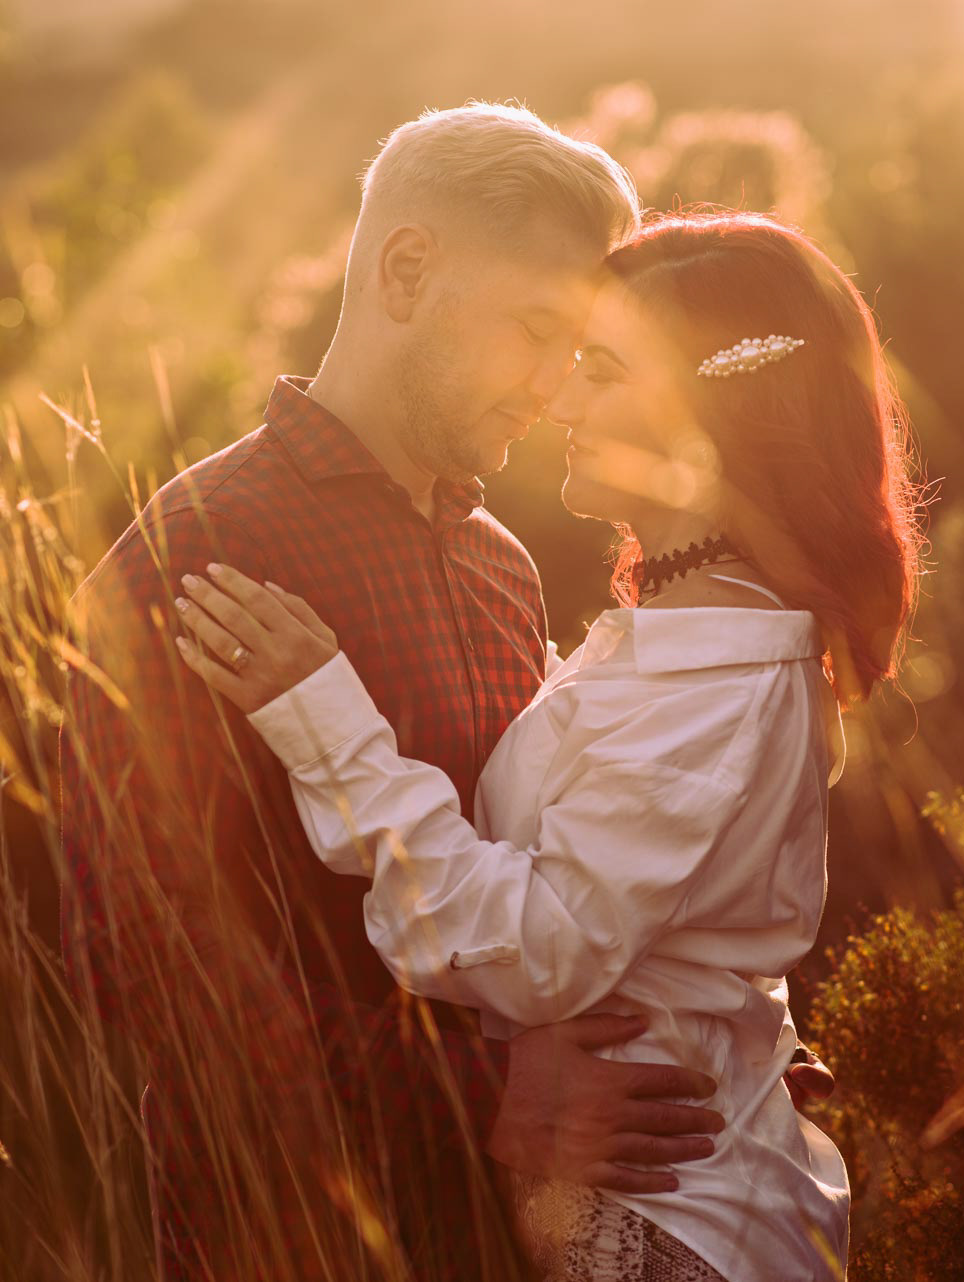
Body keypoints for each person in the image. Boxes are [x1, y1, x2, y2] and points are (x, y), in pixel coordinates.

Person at [57, 106, 834, 1280]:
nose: (557, 386)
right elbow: (132, 952)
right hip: (288, 1242)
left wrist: (721, 1042)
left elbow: (566, 878)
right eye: (539, 329)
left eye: (587, 350)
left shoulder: (499, 569)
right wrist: (484, 1091)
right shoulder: (204, 552)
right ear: (408, 270)